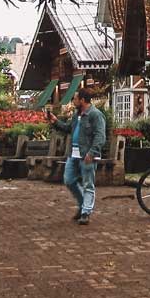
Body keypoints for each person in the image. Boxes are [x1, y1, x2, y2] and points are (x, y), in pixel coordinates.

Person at [47, 88, 106, 225]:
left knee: (88, 184)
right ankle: (82, 205)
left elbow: (100, 136)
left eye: (75, 98)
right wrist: (55, 122)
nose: (73, 101)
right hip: (73, 154)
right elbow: (69, 129)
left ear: (82, 100)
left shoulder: (95, 115)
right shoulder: (77, 115)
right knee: (69, 180)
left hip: (87, 155)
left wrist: (92, 153)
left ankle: (85, 212)